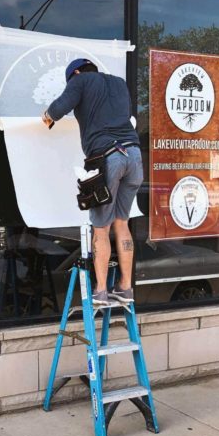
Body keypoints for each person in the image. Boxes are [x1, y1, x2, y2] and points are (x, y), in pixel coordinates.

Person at [42, 58, 142, 304]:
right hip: (134, 156)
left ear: (75, 73)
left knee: (101, 228)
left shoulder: (81, 80)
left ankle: (100, 291)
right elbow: (124, 116)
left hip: (108, 158)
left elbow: (58, 109)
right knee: (122, 223)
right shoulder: (119, 83)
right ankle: (126, 288)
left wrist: (46, 118)